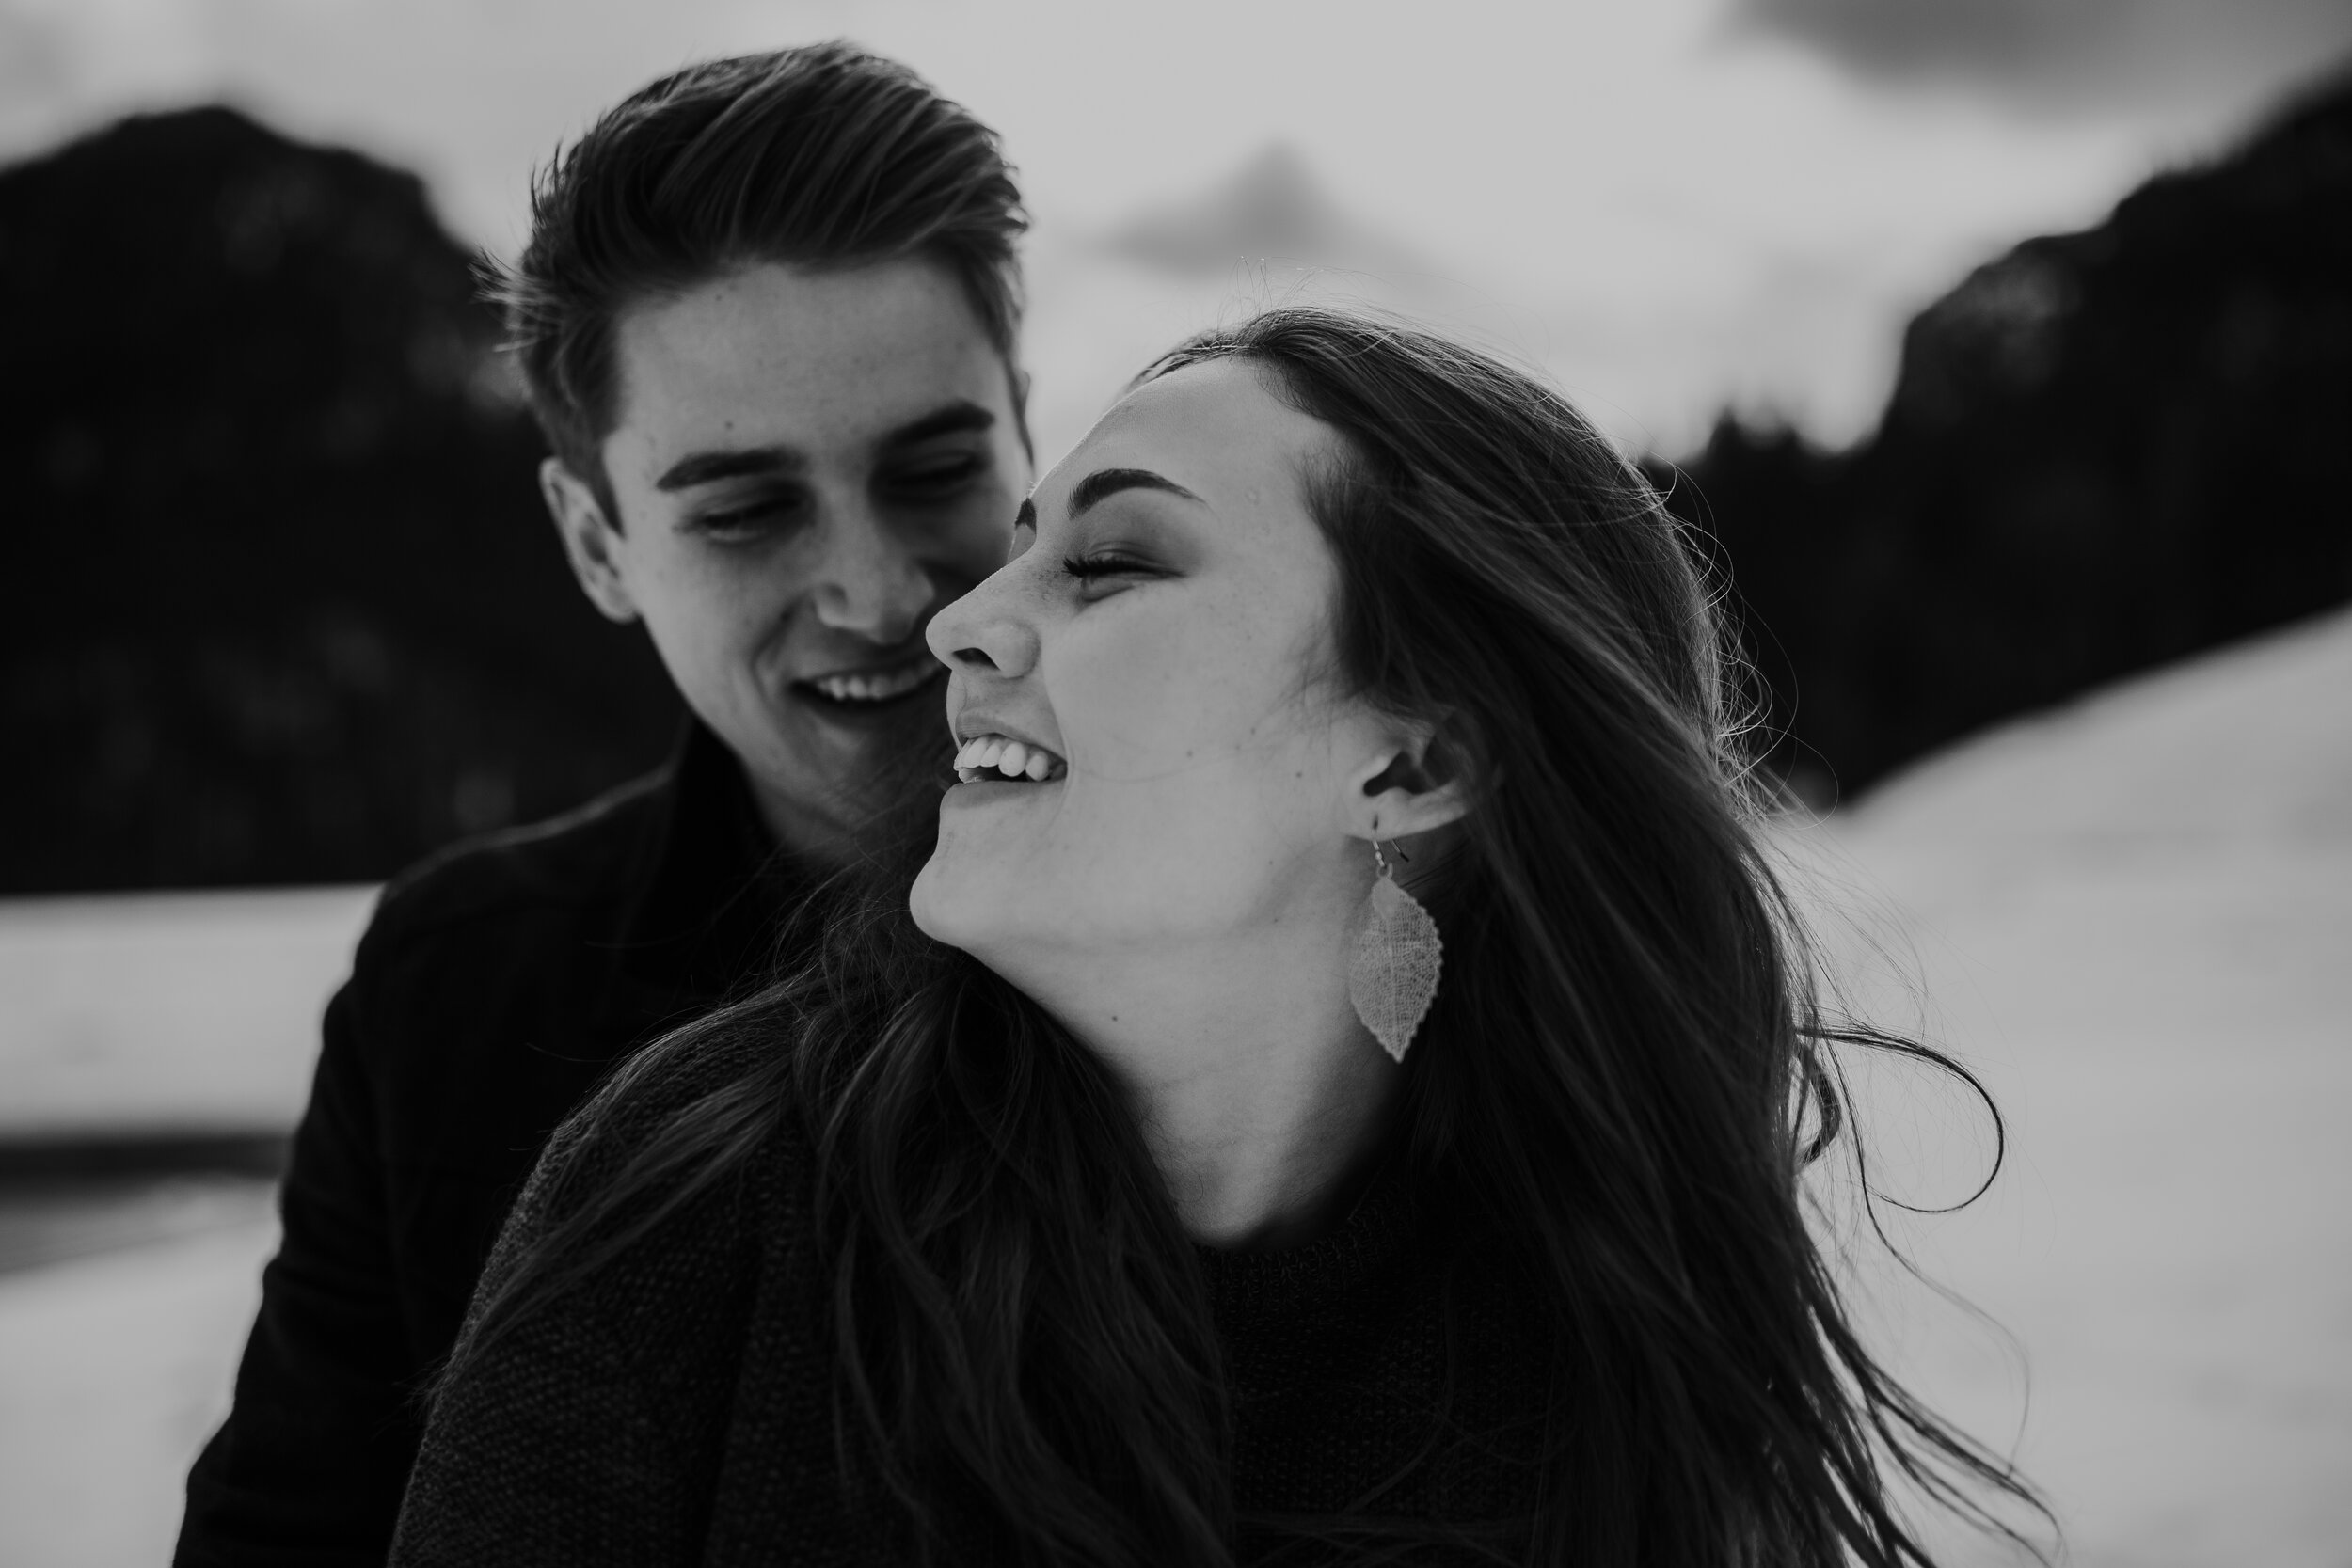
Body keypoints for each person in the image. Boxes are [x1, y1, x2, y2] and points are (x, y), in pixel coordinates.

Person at [390, 308, 2046, 1567]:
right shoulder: (709, 1195)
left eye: (1106, 563)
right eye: (1026, 546)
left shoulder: (1604, 1345)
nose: (957, 620)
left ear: (1408, 763)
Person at [174, 43, 1032, 1566]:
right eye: (748, 509)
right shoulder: (455, 995)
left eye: (934, 470)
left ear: (1025, 434)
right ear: (596, 544)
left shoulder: (1258, 918)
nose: (876, 589)